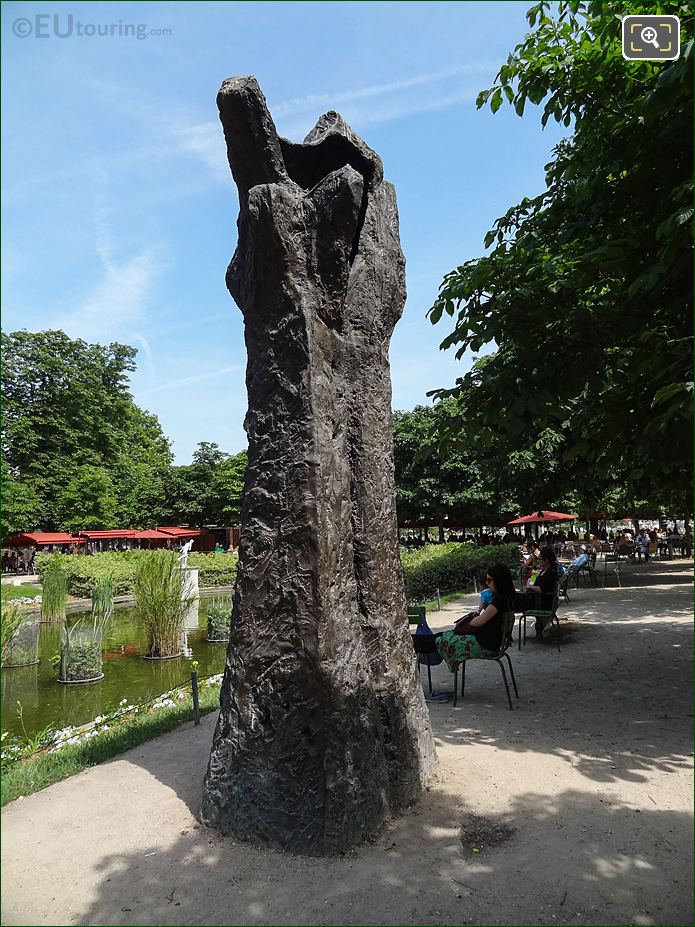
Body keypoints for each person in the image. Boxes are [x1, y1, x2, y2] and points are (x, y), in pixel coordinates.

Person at [436, 563, 516, 670]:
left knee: (441, 638)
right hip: (494, 641)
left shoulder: (500, 600)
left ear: (499, 580)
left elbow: (480, 621)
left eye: (489, 580)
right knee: (441, 636)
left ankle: (418, 644)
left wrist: (466, 624)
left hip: (487, 644)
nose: (487, 583)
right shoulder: (509, 597)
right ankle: (419, 642)